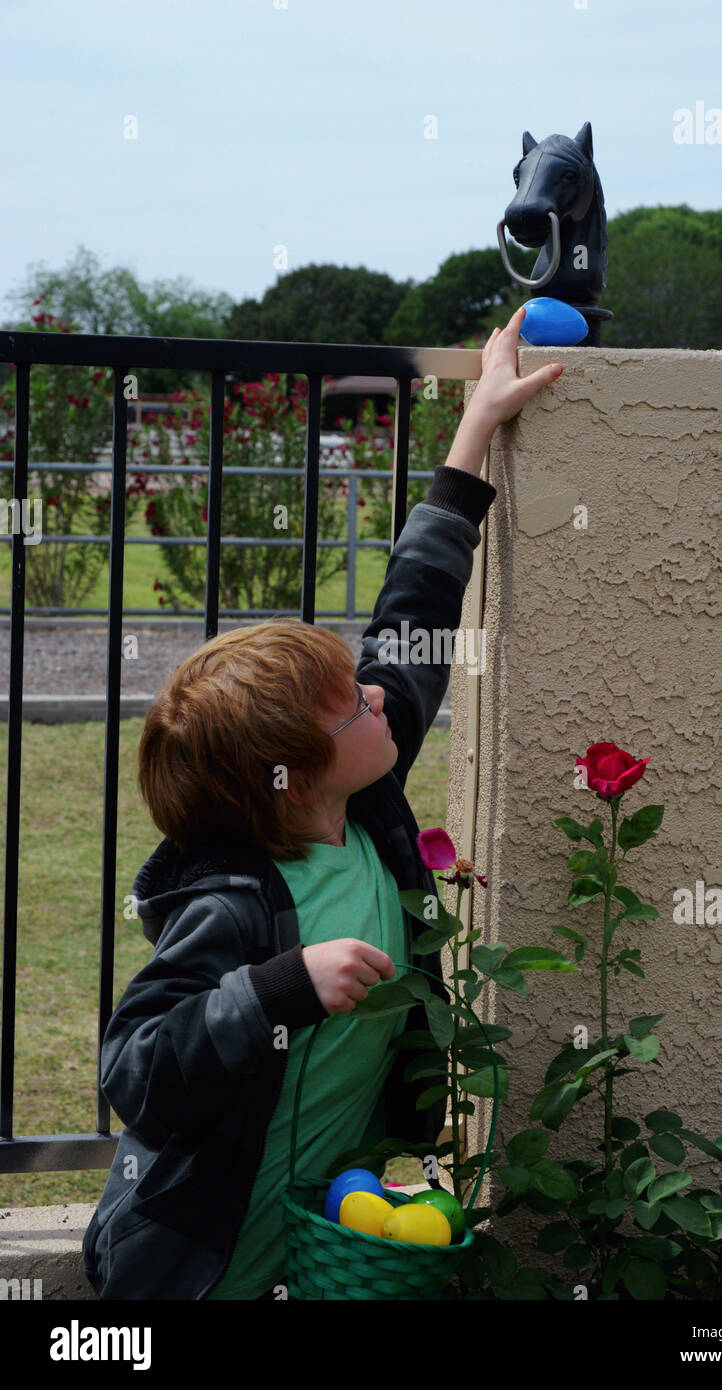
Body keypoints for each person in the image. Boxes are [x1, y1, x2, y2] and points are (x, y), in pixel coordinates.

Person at [81, 306, 563, 1299]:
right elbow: (134, 1066)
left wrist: (476, 422)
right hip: (183, 1271)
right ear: (291, 776)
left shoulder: (370, 794)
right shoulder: (237, 905)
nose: (377, 692)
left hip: (309, 1259)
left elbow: (415, 608)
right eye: (350, 704)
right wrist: (274, 988)